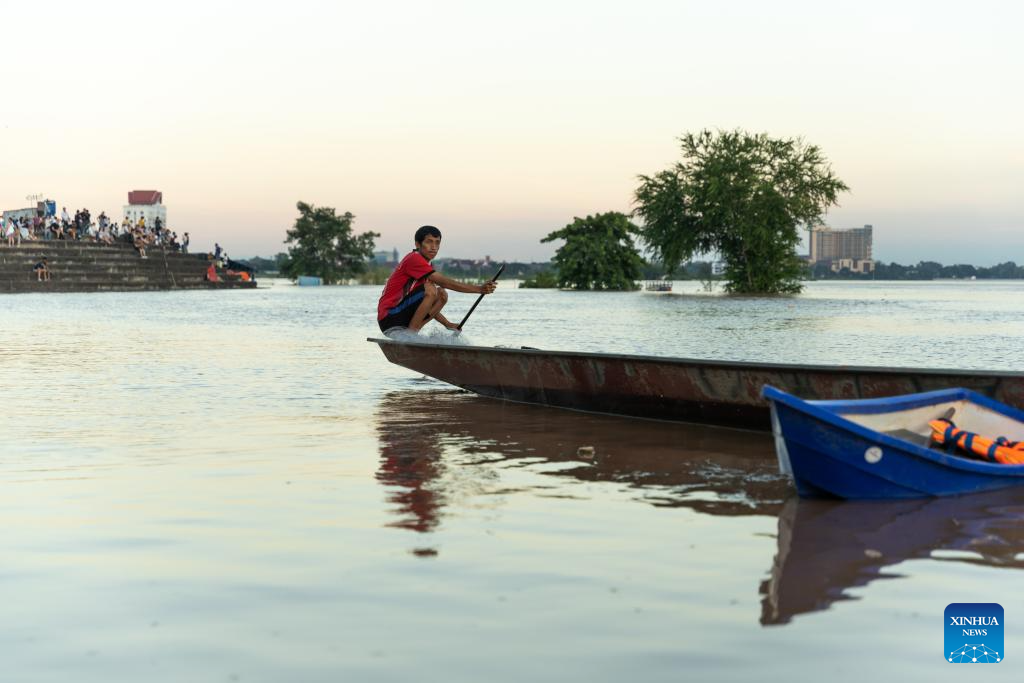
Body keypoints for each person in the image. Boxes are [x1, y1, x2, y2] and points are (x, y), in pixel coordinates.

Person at [377, 225, 497, 336]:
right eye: (429, 242)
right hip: (389, 318)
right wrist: (479, 289)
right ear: (418, 244)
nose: (433, 247)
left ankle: (413, 332)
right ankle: (411, 335)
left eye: (437, 243)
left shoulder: (427, 265)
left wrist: (447, 324)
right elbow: (444, 282)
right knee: (431, 289)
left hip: (402, 317)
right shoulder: (413, 259)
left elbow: (427, 302)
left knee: (441, 294)